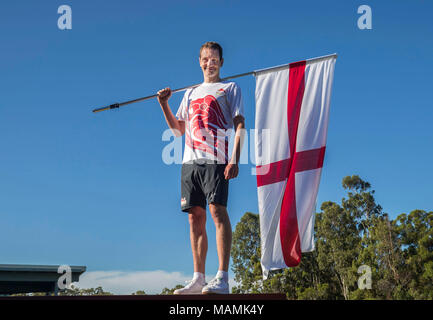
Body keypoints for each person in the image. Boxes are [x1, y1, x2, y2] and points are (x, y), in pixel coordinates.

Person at [157, 41, 245, 294]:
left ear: (221, 62)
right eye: (206, 59)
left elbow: (239, 124)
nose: (210, 63)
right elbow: (177, 130)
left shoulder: (230, 88)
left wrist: (235, 159)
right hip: (189, 161)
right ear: (200, 62)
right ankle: (198, 278)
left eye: (215, 59)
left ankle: (223, 278)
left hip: (217, 159)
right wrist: (164, 104)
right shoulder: (190, 92)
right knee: (195, 218)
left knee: (218, 212)